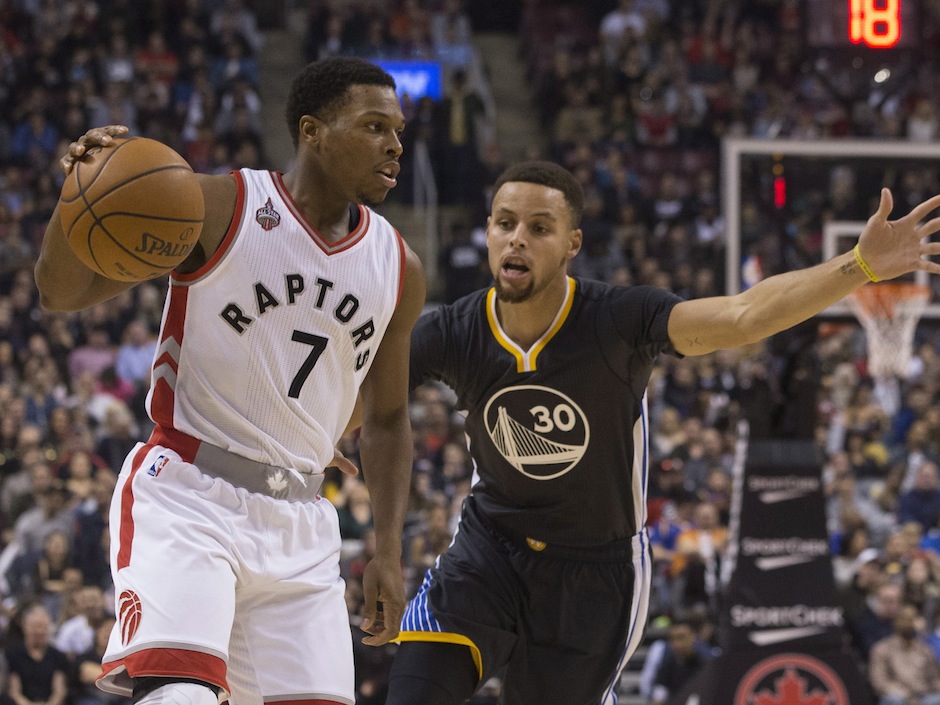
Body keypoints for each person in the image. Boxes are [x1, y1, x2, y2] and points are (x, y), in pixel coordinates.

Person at [379, 160, 940, 705]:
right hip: (489, 551)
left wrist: (859, 265)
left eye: (538, 227)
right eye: (505, 224)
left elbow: (745, 315)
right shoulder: (454, 330)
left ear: (572, 243)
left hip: (595, 573)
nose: (517, 240)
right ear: (487, 232)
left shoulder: (619, 320)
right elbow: (363, 399)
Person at [34, 57, 425, 705]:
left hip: (302, 521)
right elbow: (58, 292)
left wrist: (388, 548)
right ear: (313, 131)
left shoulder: (399, 265)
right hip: (190, 498)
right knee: (178, 697)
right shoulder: (219, 205)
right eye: (374, 125)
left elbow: (383, 417)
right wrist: (78, 197)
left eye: (399, 130)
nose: (395, 144)